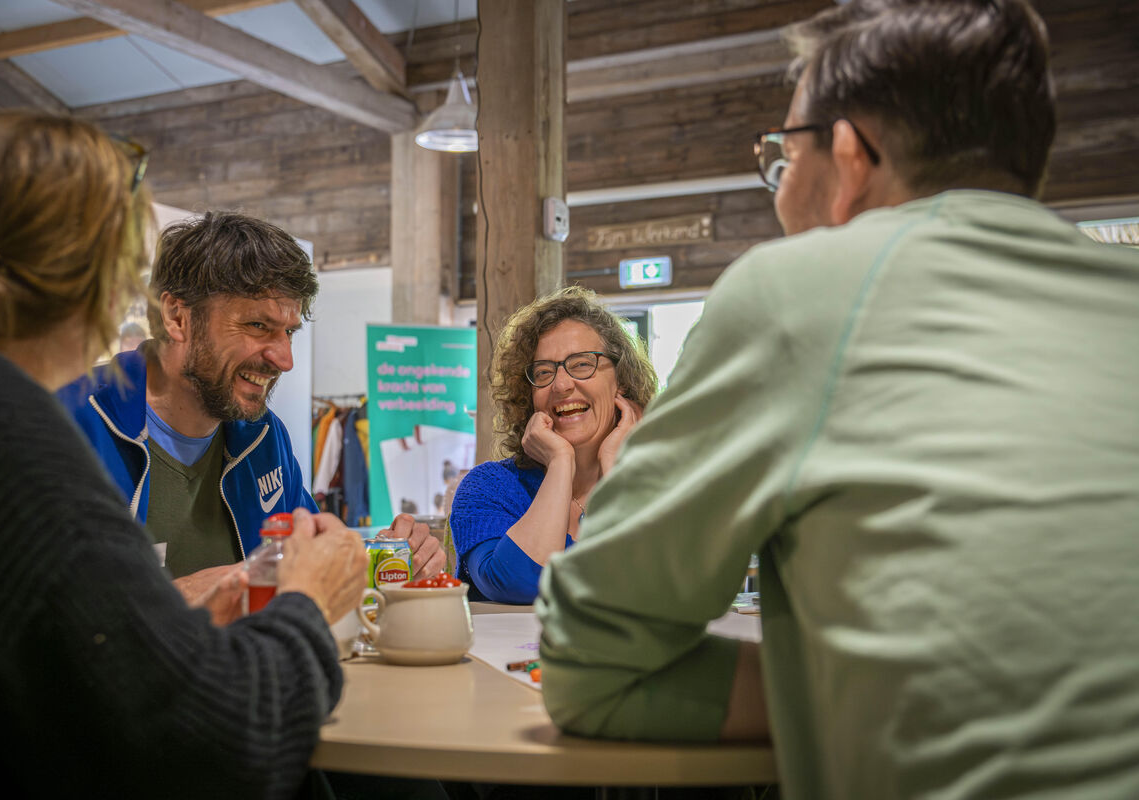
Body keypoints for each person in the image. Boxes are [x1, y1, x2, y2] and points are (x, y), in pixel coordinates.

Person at [537, 1, 1139, 798]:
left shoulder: (794, 291)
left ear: (849, 156)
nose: (780, 185)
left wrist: (842, 693)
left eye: (782, 154)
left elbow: (588, 658)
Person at [0, 111, 369, 797]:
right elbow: (219, 737)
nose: (281, 357)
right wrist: (307, 604)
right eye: (259, 325)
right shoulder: (16, 427)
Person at [58, 211, 444, 607]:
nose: (284, 358)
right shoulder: (65, 426)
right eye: (258, 326)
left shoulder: (264, 436)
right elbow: (19, 617)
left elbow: (308, 568)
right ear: (177, 317)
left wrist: (379, 563)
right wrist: (172, 600)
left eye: (289, 332)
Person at [449, 286, 657, 603]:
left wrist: (617, 468)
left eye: (583, 364)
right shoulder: (489, 488)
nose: (561, 385)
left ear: (622, 380)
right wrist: (560, 462)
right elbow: (518, 583)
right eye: (544, 372)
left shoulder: (661, 485)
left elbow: (666, 582)